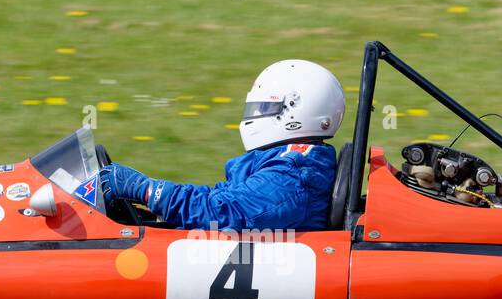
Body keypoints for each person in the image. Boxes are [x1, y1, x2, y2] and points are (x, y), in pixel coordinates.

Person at [98, 59, 344, 231]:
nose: (255, 115)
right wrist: (153, 209)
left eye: (263, 108)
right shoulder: (288, 161)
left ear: (293, 112)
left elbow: (222, 212)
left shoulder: (294, 176)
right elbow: (223, 196)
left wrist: (148, 191)